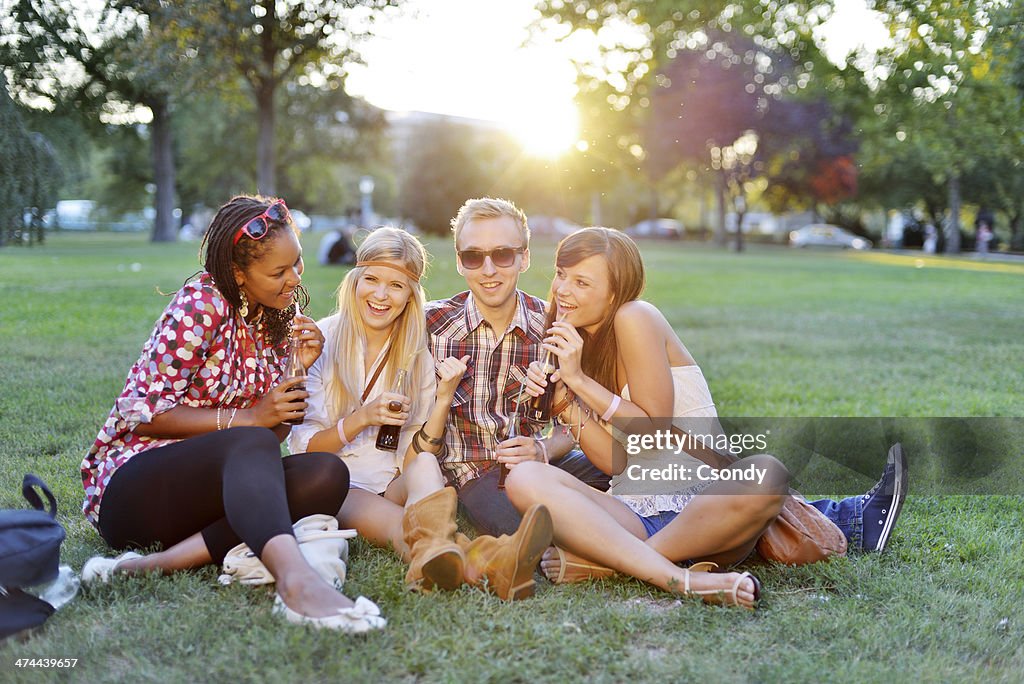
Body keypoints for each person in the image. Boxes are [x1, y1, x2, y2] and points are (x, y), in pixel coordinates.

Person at [80, 195, 384, 632]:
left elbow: (266, 439)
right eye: (278, 272)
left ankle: (159, 563)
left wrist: (297, 368)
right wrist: (248, 419)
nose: (294, 279)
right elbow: (141, 414)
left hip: (207, 495)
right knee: (253, 438)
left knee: (326, 474)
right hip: (133, 490)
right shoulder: (202, 304)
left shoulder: (279, 315)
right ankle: (297, 582)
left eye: (296, 263)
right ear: (239, 274)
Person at [288, 227, 553, 601]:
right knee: (406, 528)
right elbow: (305, 452)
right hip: (340, 483)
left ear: (411, 295)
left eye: (396, 286)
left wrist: (443, 399)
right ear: (354, 281)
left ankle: (460, 557)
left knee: (427, 467)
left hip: (392, 481)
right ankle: (487, 561)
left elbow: (412, 456)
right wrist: (362, 418)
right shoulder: (323, 341)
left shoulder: (417, 353)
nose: (381, 295)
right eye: (372, 280)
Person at [425, 198, 611, 539]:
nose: (489, 269)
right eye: (473, 256)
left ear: (524, 258)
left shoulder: (555, 326)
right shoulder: (431, 324)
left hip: (542, 467)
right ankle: (583, 547)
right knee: (530, 530)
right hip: (474, 473)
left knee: (626, 481)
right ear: (459, 263)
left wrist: (542, 449)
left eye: (502, 254)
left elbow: (574, 426)